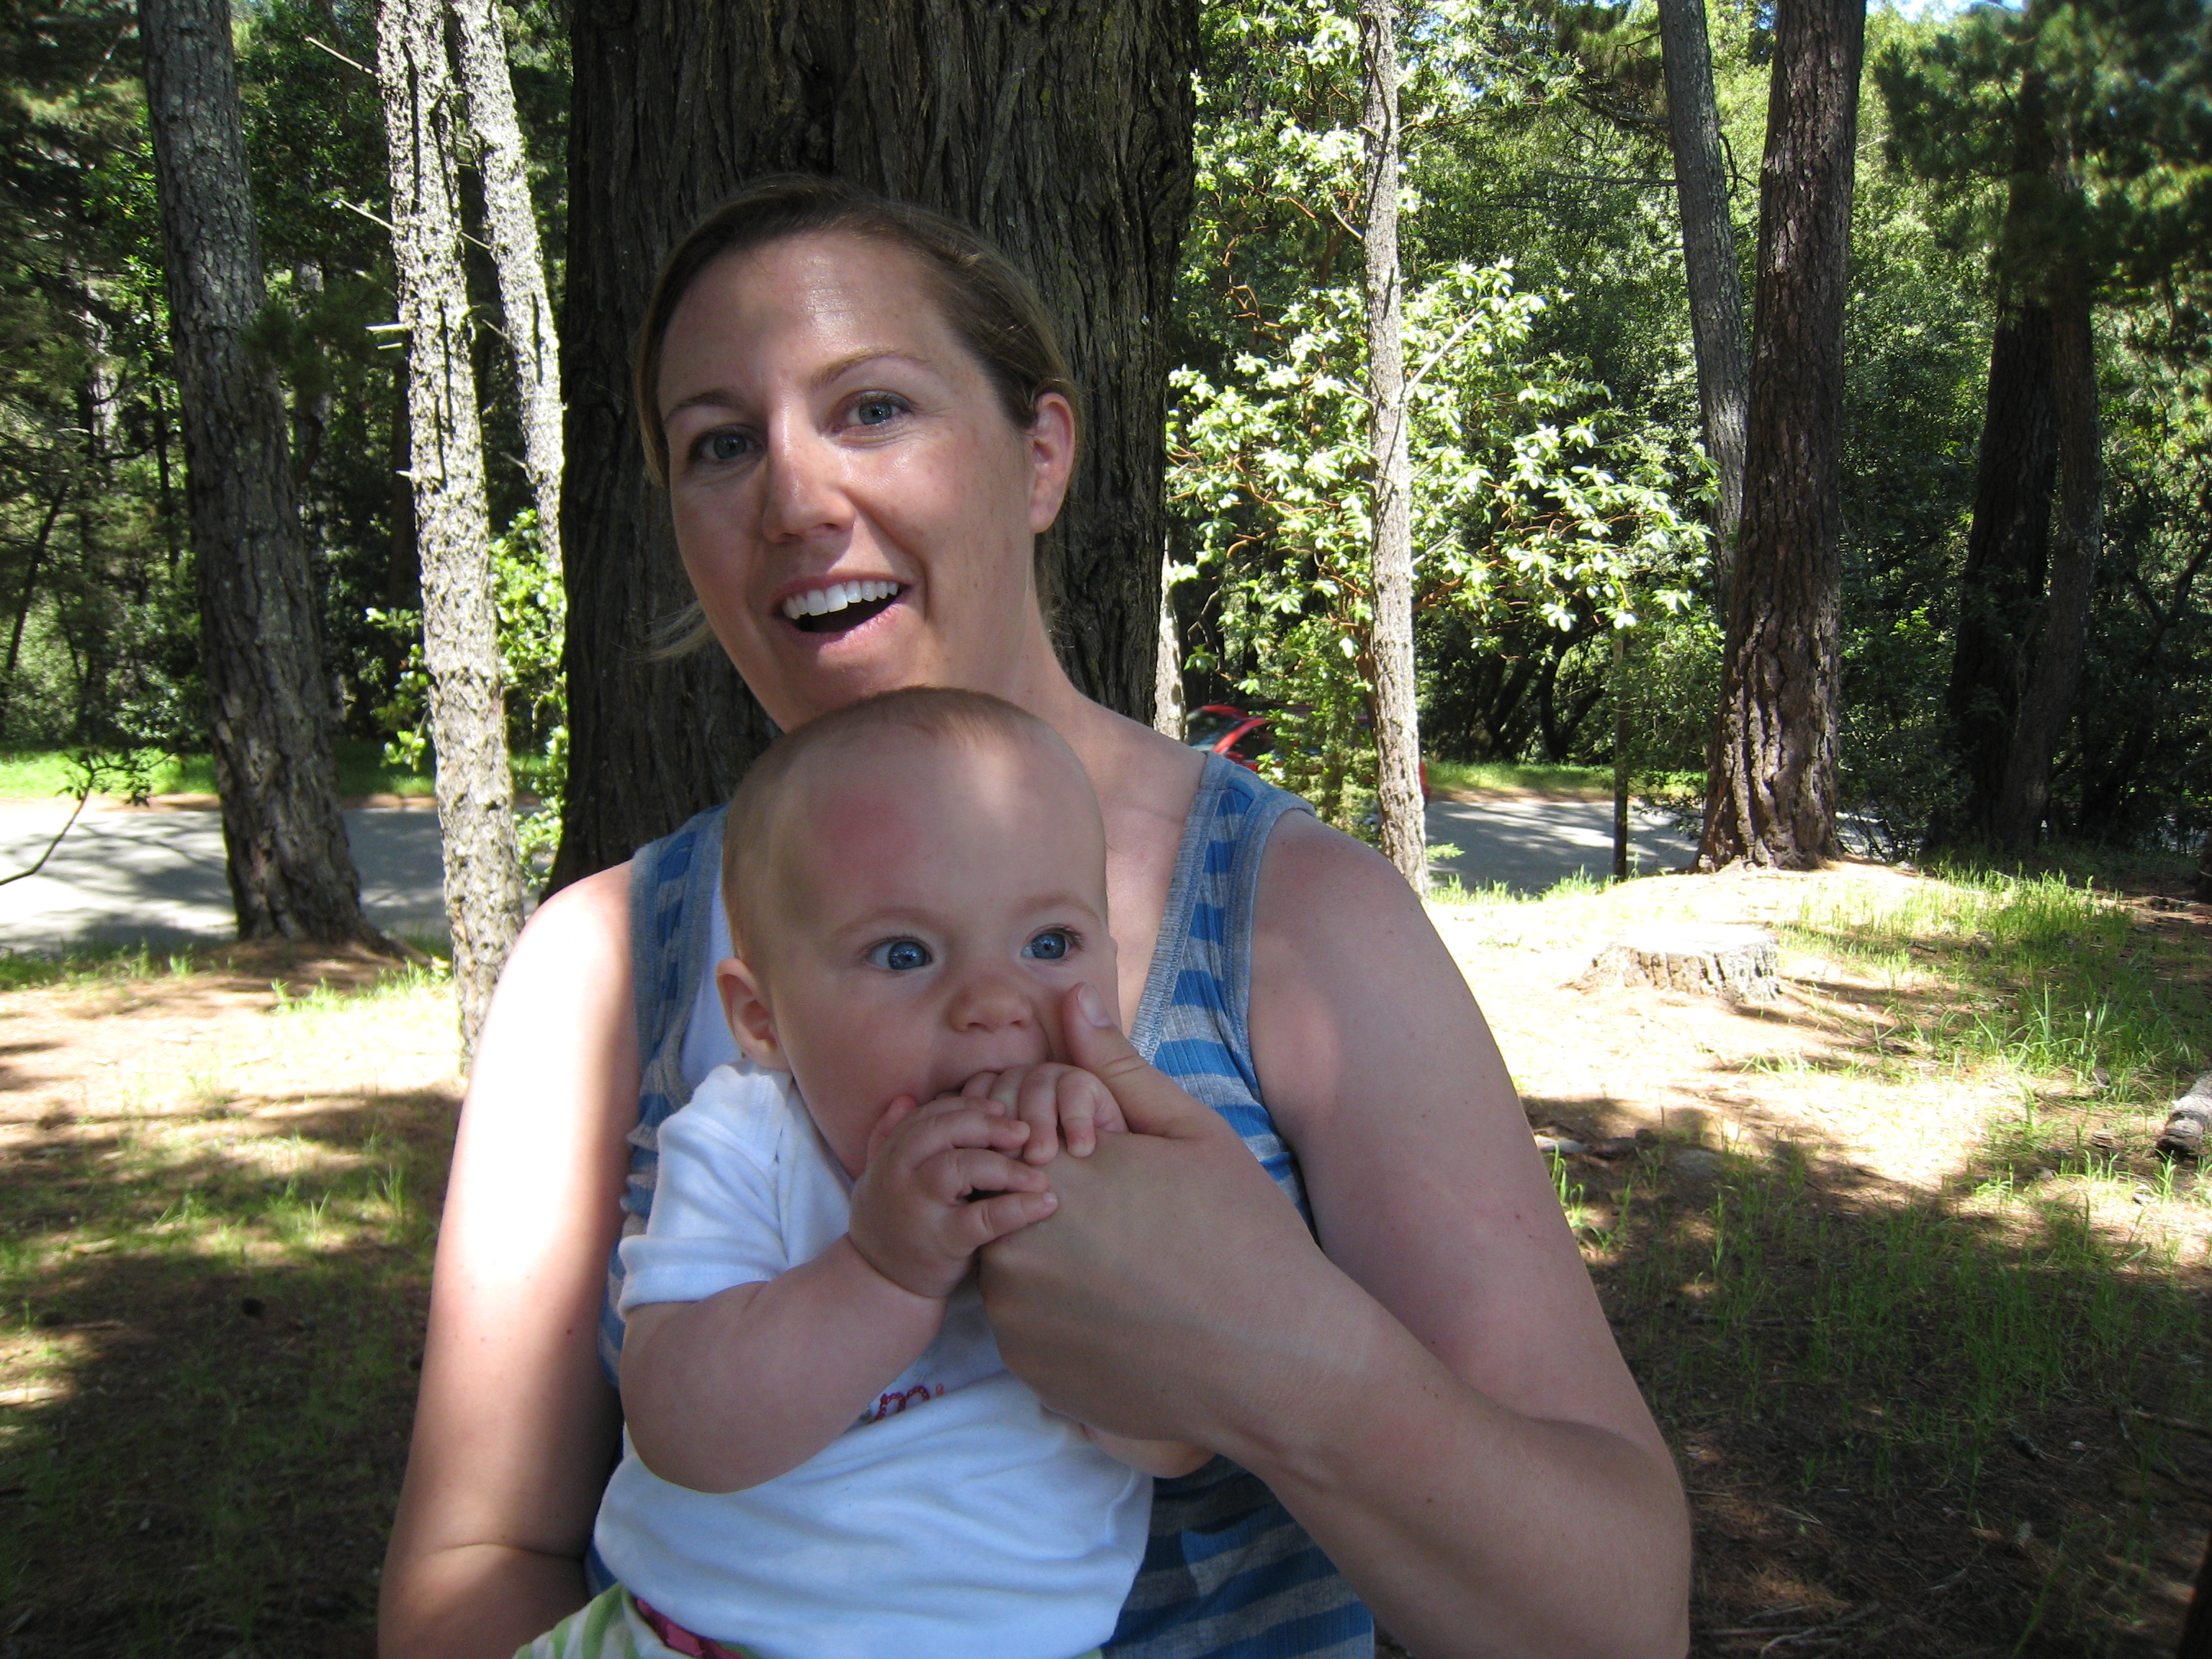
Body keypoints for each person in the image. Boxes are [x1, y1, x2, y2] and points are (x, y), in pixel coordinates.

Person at [379, 173, 1693, 1659]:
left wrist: (1288, 1357)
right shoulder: (603, 968)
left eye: (873, 408)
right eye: (720, 444)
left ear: (1042, 453)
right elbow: (481, 1559)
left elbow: (1617, 1620)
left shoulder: (1296, 922)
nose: (795, 501)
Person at [523, 688, 1205, 1659]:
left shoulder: (1119, 1151)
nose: (994, 1001)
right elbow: (683, 1430)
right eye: (904, 953)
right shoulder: (747, 1139)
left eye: (1049, 945)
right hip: (698, 1638)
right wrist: (883, 1274)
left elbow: (1176, 1443)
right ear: (762, 1020)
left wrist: (1094, 1276)